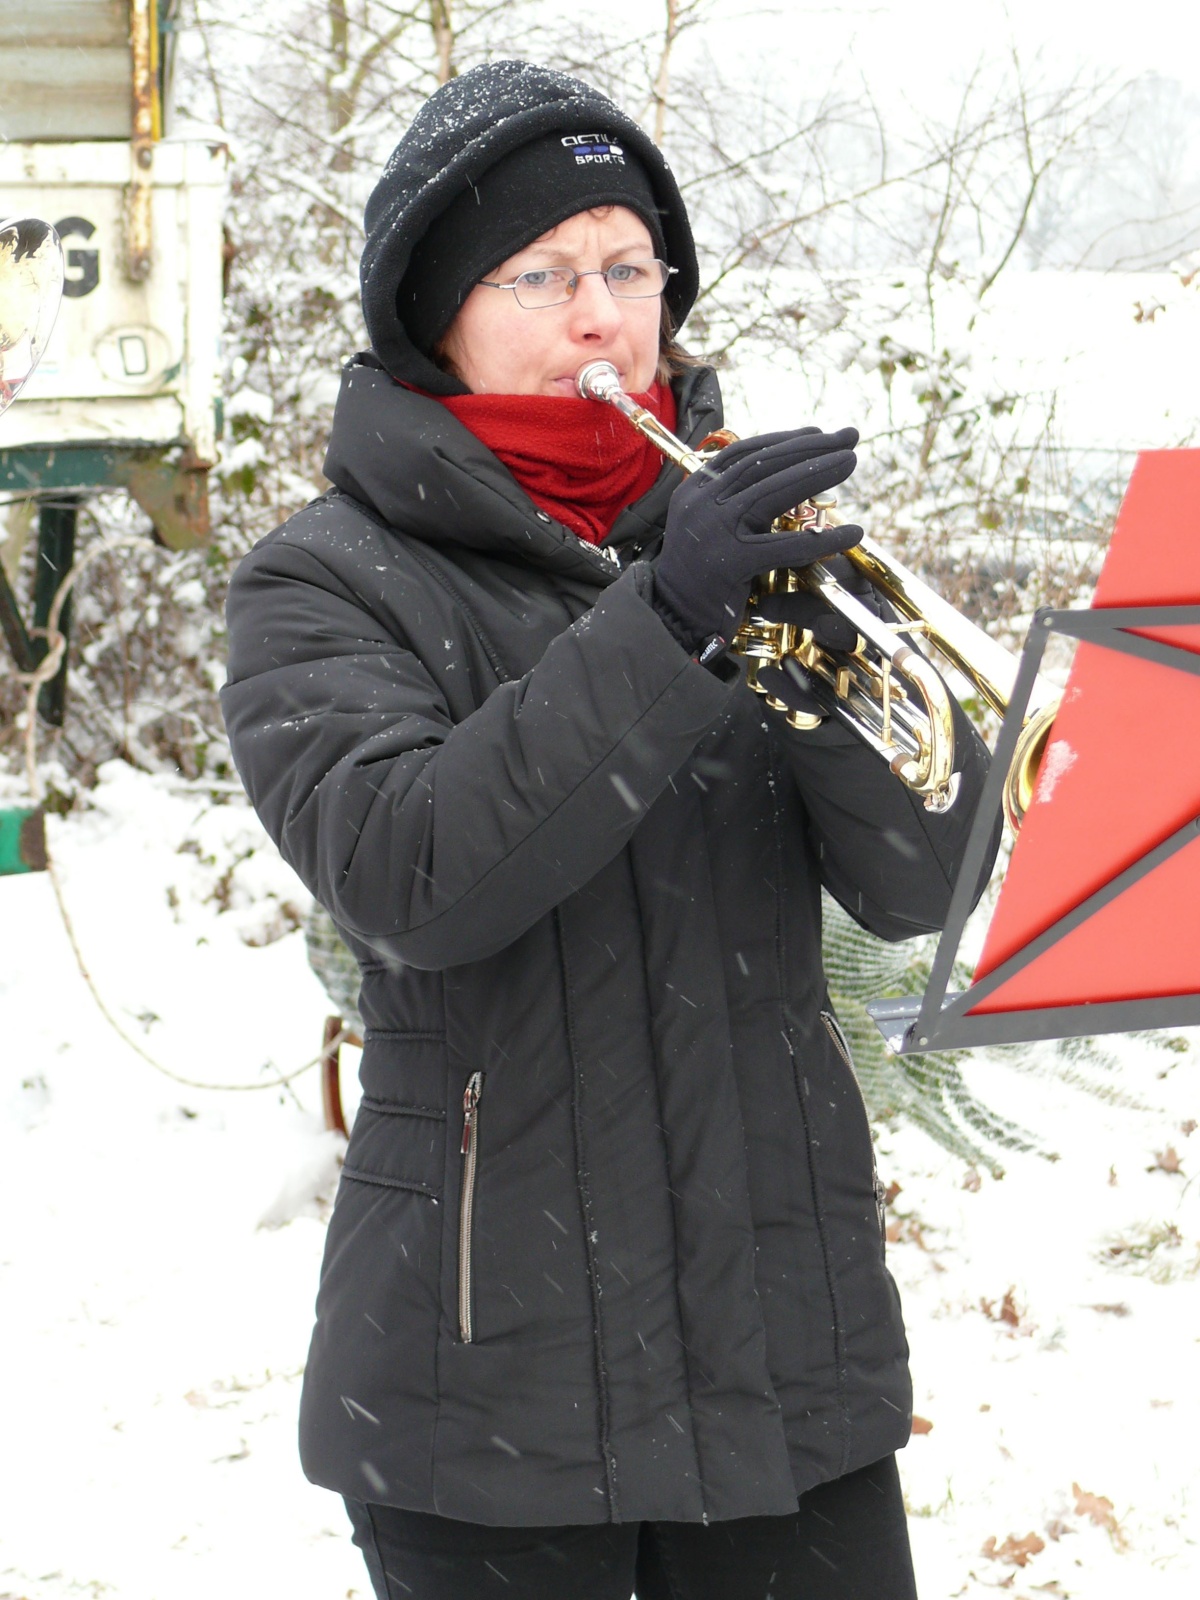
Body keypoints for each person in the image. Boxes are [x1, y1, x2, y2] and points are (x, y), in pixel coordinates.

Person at [222, 59, 997, 1600]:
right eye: (547, 273)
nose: (606, 317)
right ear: (437, 318)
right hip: (482, 1389)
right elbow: (416, 875)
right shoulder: (322, 583)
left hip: (786, 1355)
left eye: (632, 268)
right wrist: (665, 625)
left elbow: (916, 884)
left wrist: (833, 657)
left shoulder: (730, 541)